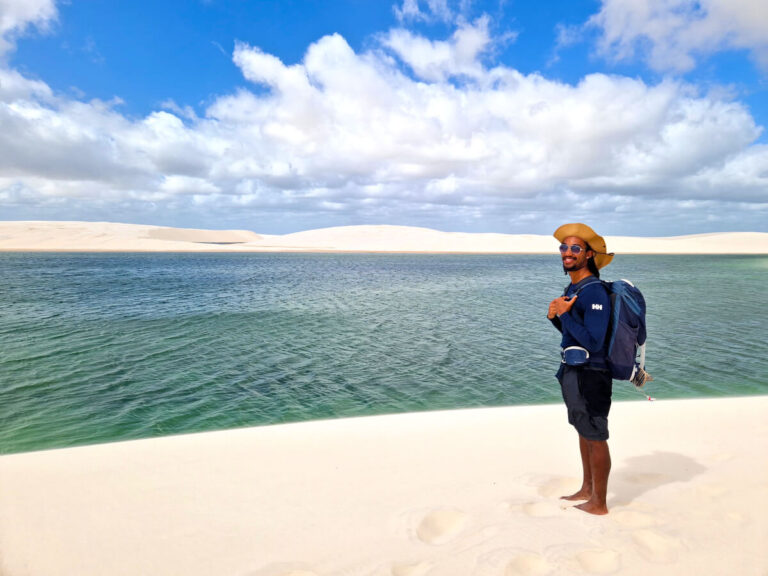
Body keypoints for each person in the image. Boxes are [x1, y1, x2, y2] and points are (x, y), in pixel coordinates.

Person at [547, 223, 615, 515]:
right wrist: (555, 317)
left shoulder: (595, 292)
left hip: (593, 374)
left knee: (596, 435)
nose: (568, 252)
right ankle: (587, 489)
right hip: (573, 371)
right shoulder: (573, 288)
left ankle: (599, 503)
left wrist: (565, 314)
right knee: (582, 429)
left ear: (588, 255)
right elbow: (572, 333)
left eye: (575, 248)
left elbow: (595, 341)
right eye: (564, 247)